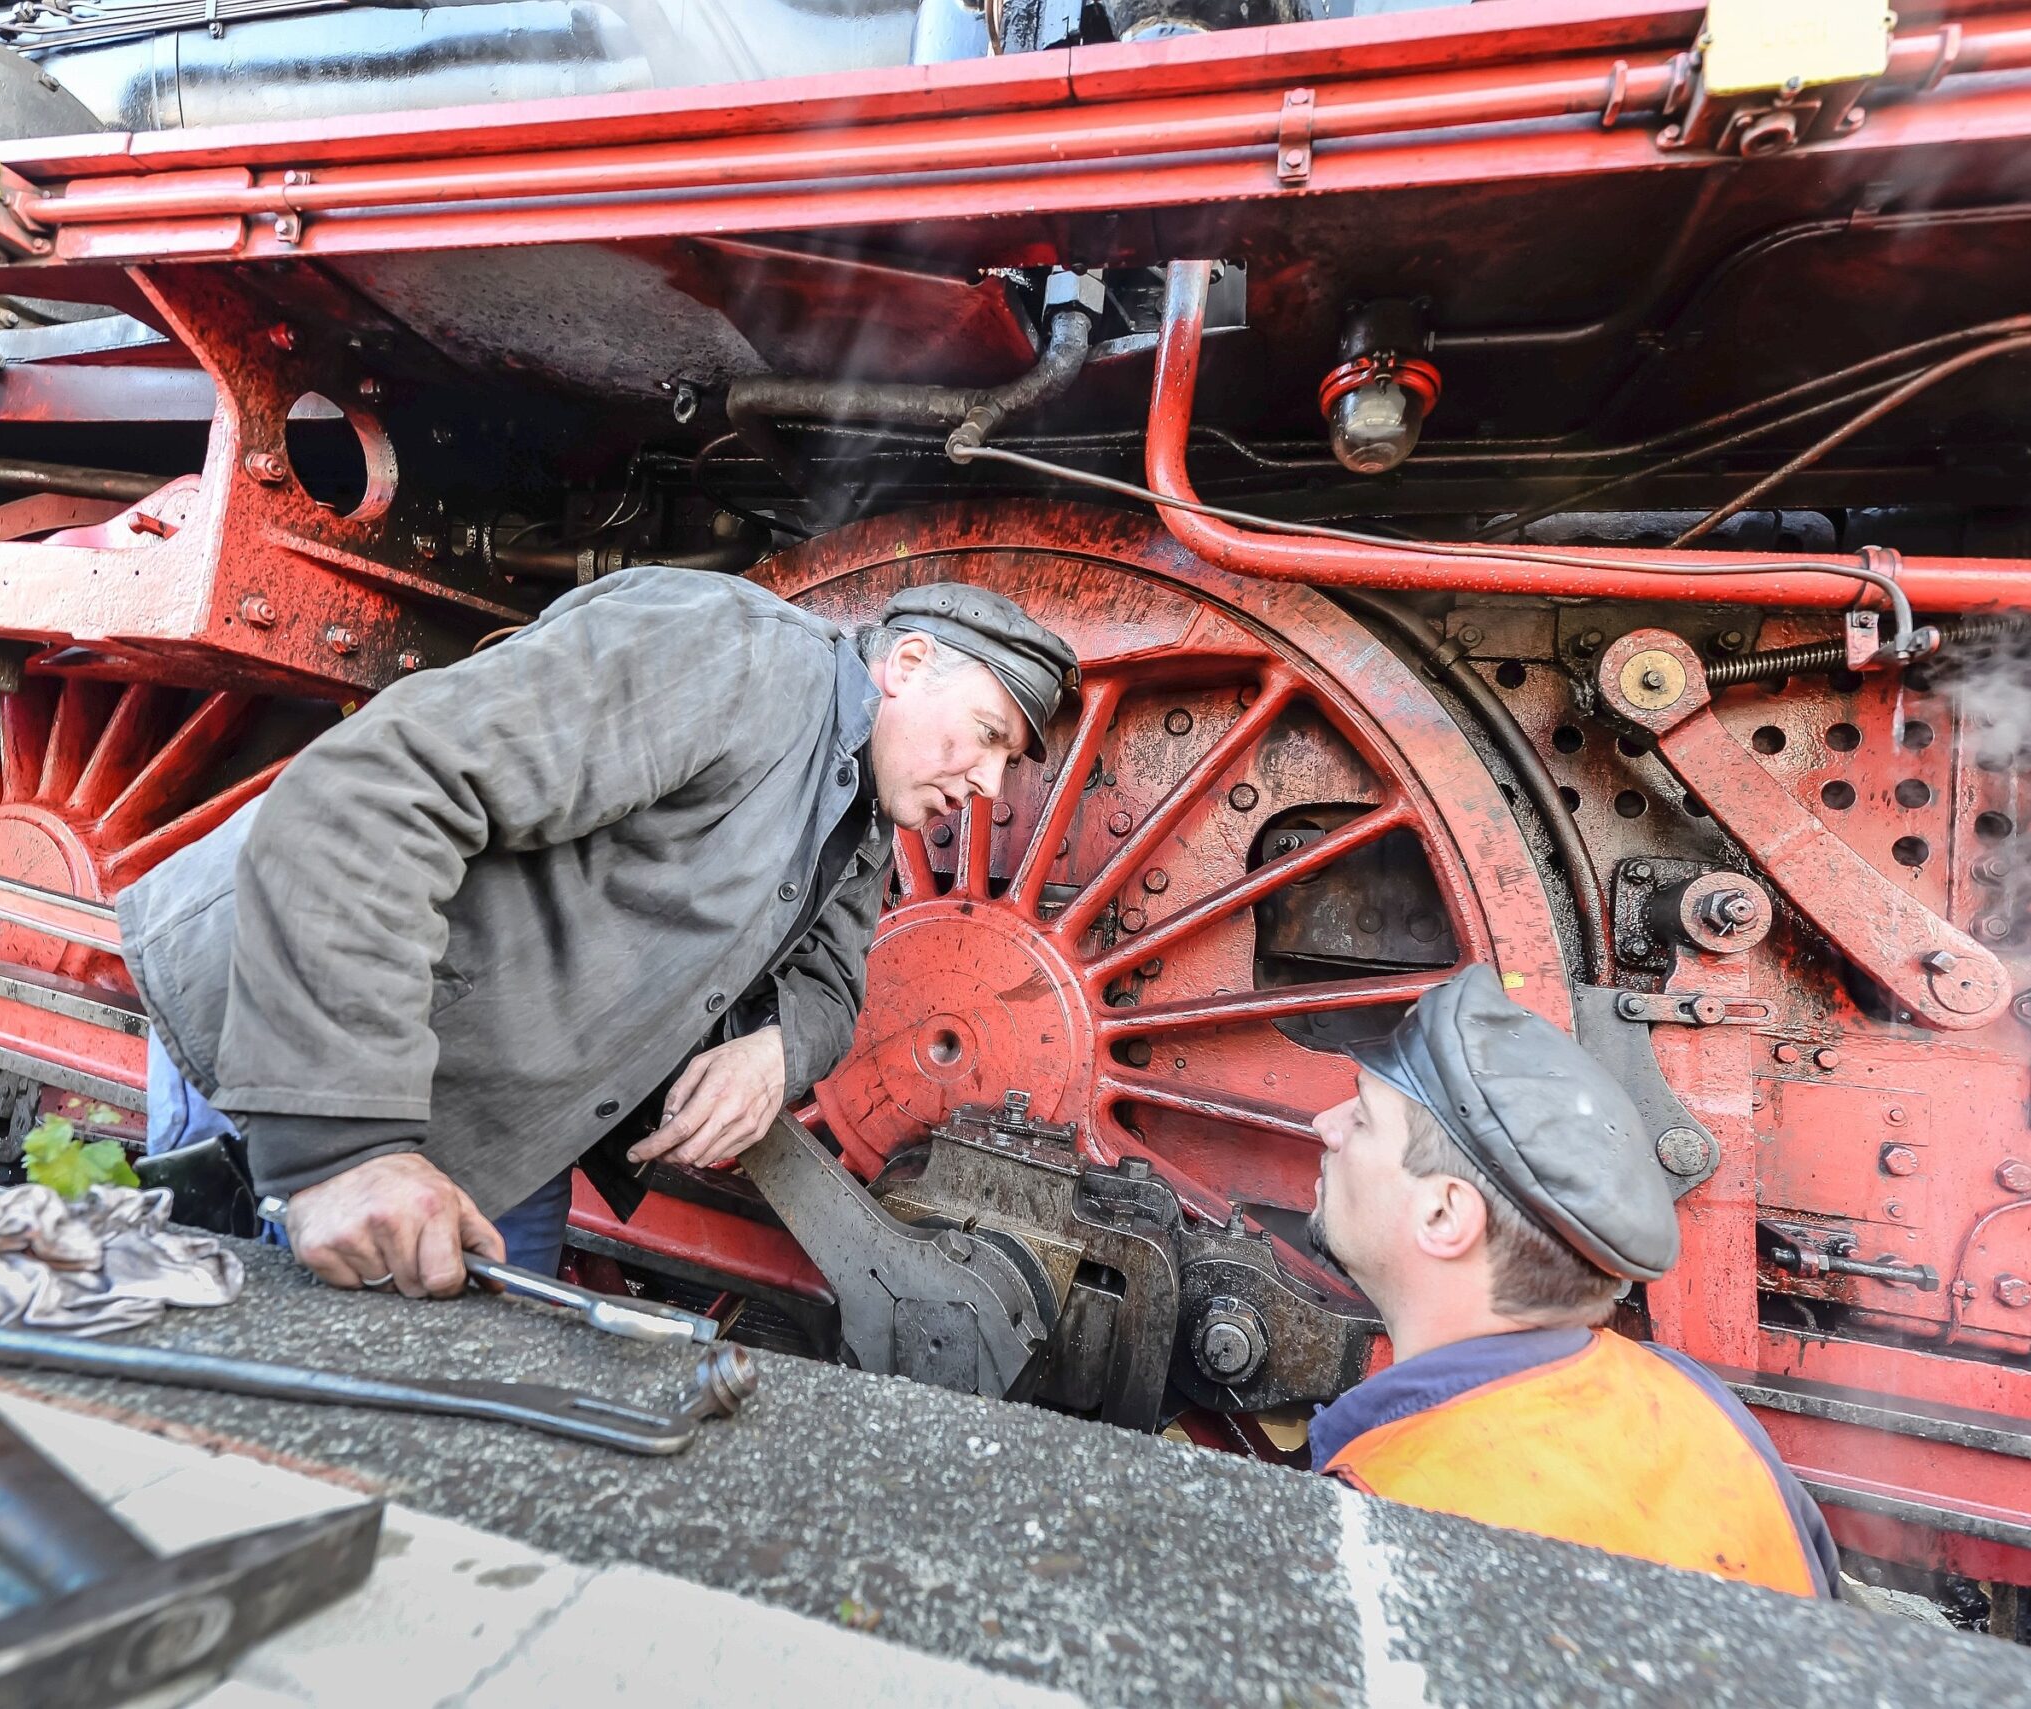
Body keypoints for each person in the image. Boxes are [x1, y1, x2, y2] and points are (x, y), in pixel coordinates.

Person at [118, 571, 1078, 1298]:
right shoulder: (737, 659)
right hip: (294, 1050)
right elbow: (377, 790)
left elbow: (833, 986)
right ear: (906, 666)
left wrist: (777, 1055)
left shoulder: (862, 809)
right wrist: (343, 1145)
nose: (989, 786)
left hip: (501, 1122)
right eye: (989, 734)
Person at [1305, 964, 1839, 1599]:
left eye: (1362, 1119)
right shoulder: (1695, 1400)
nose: (1325, 1126)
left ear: (1445, 1215)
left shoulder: (1381, 1502)